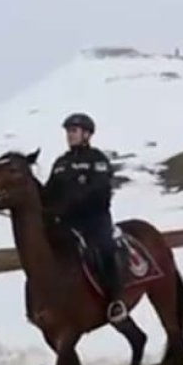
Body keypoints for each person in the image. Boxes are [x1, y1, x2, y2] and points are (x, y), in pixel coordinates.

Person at [43, 112, 125, 323]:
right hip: (68, 223)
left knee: (105, 248)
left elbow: (100, 191)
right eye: (68, 131)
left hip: (95, 220)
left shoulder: (97, 160)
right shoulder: (61, 163)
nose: (70, 135)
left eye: (74, 131)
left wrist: (70, 205)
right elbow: (49, 192)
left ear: (87, 134)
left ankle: (115, 300)